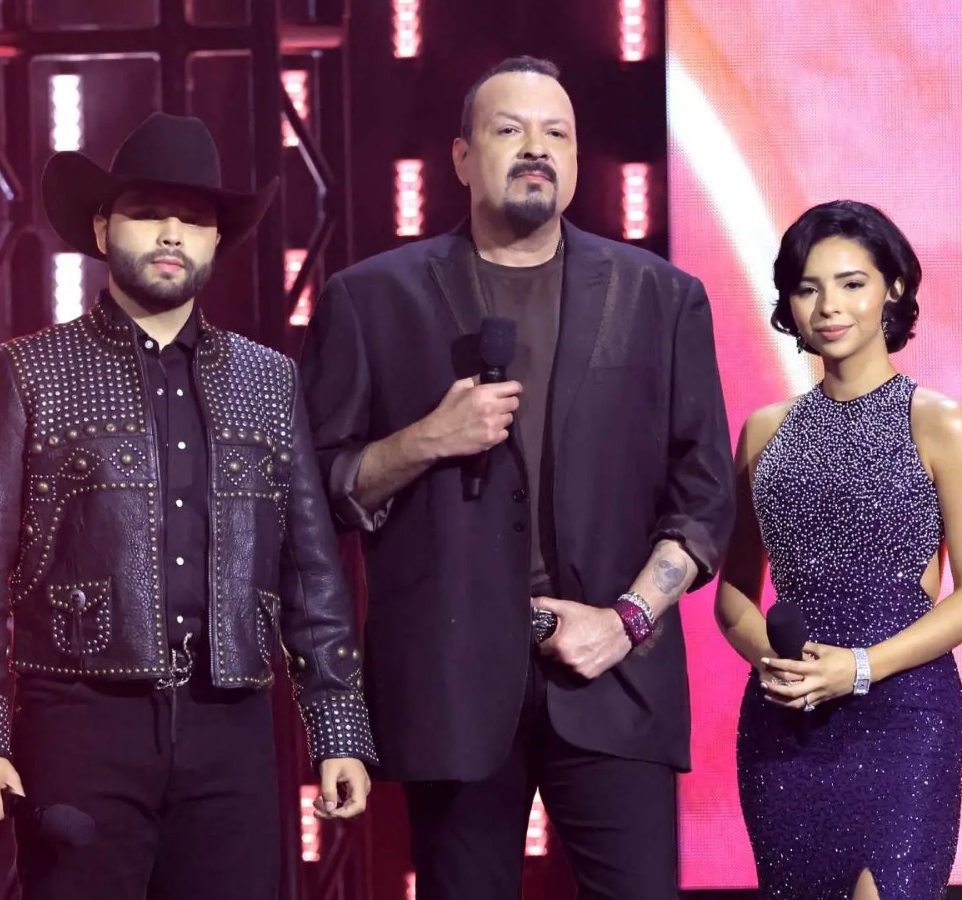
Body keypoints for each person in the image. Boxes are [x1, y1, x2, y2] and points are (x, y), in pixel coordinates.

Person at [299, 56, 733, 900]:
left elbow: (705, 493)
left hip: (613, 675)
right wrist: (425, 440)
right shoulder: (371, 299)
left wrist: (627, 620)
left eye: (555, 133)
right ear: (462, 158)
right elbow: (317, 490)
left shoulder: (660, 296)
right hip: (451, 685)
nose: (536, 147)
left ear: (575, 157)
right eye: (509, 129)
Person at [0, 112, 375, 900]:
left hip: (232, 724)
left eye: (194, 219)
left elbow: (312, 570)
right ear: (103, 228)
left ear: (215, 240)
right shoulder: (30, 372)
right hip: (79, 718)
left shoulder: (268, 380)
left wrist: (337, 726)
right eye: (148, 213)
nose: (172, 233)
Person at [715, 199, 962, 899]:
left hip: (904, 714)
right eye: (808, 288)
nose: (829, 307)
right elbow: (732, 594)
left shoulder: (939, 423)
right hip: (788, 722)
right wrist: (773, 662)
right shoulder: (765, 431)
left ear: (892, 289)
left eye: (851, 283)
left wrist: (861, 667)